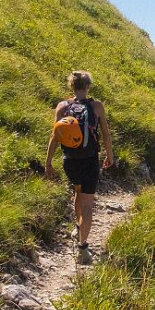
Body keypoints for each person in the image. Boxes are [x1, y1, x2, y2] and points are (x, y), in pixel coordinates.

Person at [44, 70, 115, 264]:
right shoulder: (97, 106)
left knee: (77, 190)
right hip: (90, 160)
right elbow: (106, 135)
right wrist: (110, 156)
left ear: (71, 86)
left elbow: (54, 137)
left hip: (70, 160)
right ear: (88, 86)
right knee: (87, 204)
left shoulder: (62, 106)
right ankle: (82, 248)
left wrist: (48, 162)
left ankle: (77, 226)